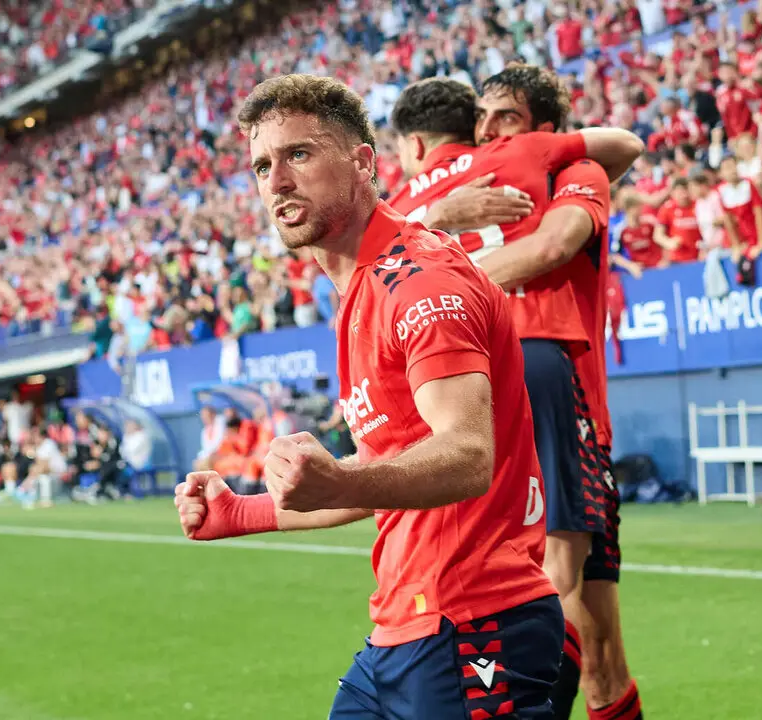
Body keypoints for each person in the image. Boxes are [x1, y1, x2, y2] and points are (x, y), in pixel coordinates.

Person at [176, 74, 564, 718]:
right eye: (262, 165)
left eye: (299, 154)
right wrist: (243, 513)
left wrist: (340, 482)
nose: (276, 182)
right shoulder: (361, 289)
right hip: (404, 629)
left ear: (363, 164)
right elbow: (387, 469)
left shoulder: (419, 282)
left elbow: (468, 455)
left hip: (473, 621)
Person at [431, 67, 647, 720]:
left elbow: (554, 244)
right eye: (482, 120)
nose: (490, 132)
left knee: (602, 647)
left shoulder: (575, 174)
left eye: (508, 118)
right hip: (508, 413)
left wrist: (447, 277)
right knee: (543, 599)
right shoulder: (459, 194)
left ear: (547, 128)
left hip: (571, 406)